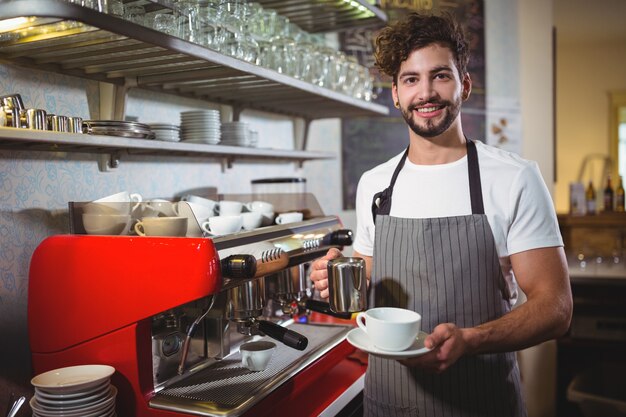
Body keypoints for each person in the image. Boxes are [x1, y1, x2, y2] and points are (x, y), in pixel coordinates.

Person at [310, 11, 572, 417]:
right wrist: (338, 278)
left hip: (482, 403)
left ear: (464, 84)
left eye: (440, 75)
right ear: (395, 93)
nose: (425, 92)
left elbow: (556, 308)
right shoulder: (375, 185)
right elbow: (366, 292)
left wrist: (471, 339)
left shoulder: (515, 178)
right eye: (411, 79)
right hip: (388, 404)